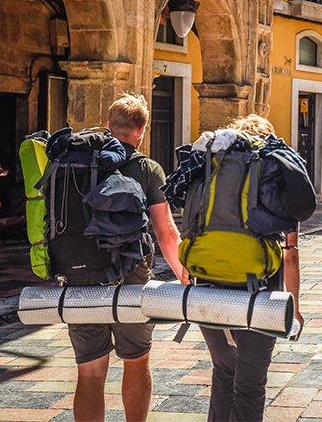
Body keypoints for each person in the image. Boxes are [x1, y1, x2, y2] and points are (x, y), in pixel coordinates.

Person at [69, 93, 188, 422]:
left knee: (90, 371)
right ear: (141, 131)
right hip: (131, 275)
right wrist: (182, 273)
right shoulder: (147, 168)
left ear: (108, 126)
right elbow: (166, 233)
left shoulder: (77, 163)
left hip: (81, 276)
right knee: (136, 360)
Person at [200, 115, 303, 422]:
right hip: (259, 291)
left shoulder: (213, 173)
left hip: (208, 288)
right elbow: (291, 254)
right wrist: (293, 306)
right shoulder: (273, 175)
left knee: (223, 371)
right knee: (249, 384)